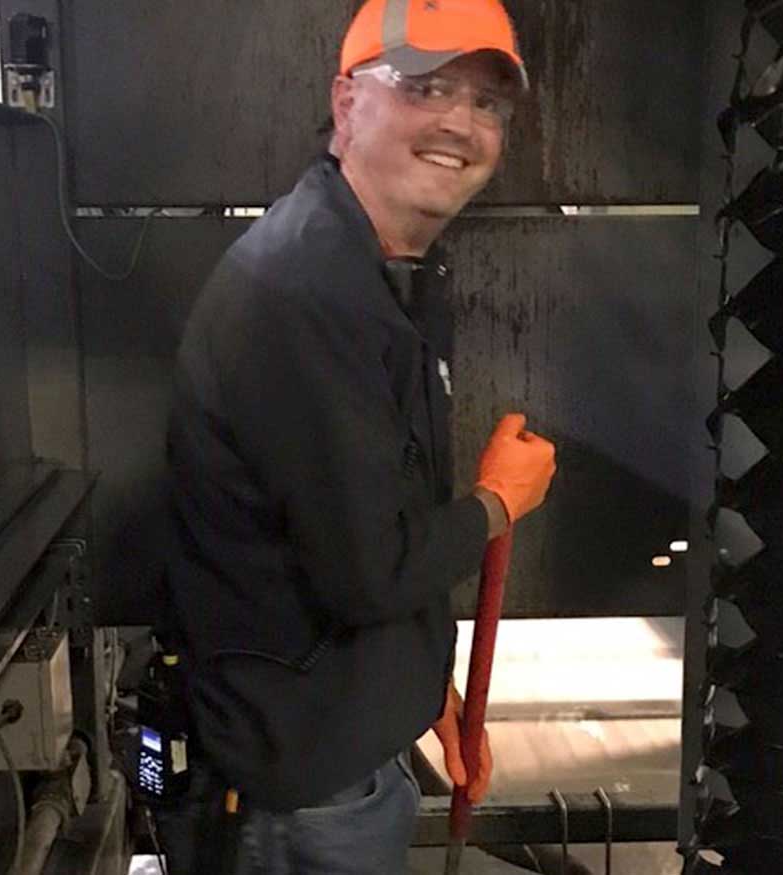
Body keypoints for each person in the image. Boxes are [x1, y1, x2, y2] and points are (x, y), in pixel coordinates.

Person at [158, 0, 557, 871]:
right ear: (347, 105)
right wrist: (499, 502)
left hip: (341, 743)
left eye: (487, 102)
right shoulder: (304, 295)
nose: (461, 121)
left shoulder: (378, 270)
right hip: (305, 790)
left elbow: (364, 510)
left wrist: (420, 685)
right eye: (426, 87)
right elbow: (368, 569)